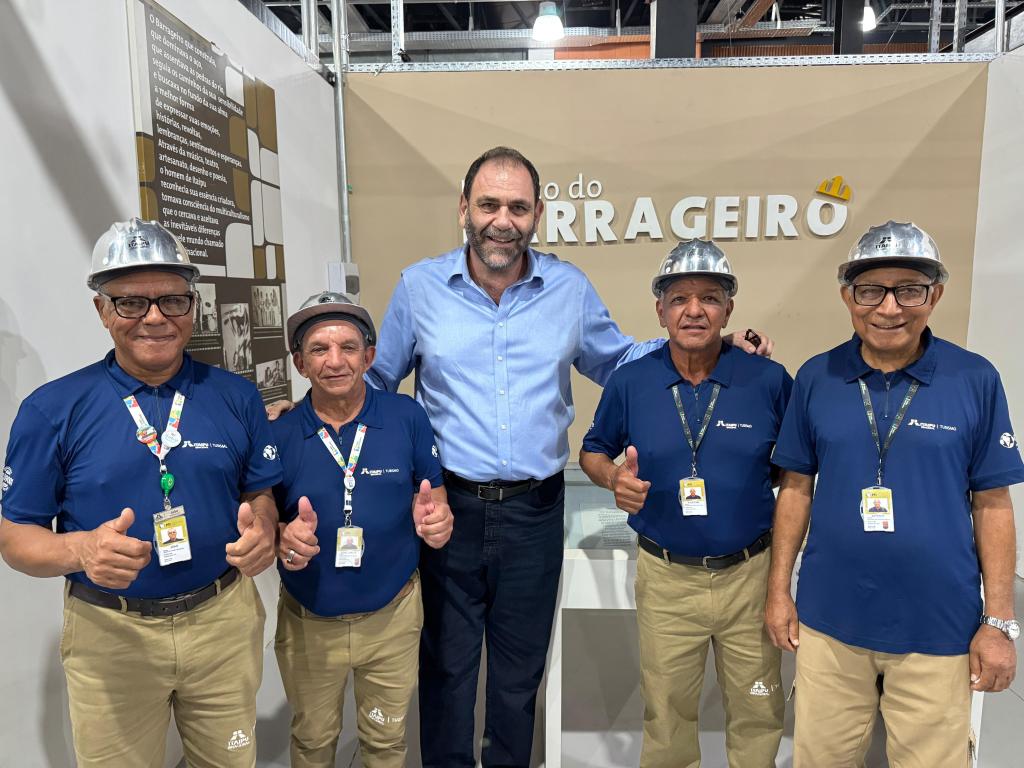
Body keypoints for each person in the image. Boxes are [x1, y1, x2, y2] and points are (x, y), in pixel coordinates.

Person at [267, 146, 771, 767]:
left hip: (534, 510)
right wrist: (301, 411)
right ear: (463, 209)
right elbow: (373, 381)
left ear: (537, 215)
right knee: (447, 669)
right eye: (488, 204)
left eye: (517, 207)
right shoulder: (421, 287)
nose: (501, 219)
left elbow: (619, 362)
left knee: (517, 671)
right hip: (445, 510)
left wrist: (715, 343)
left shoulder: (567, 288)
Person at [0, 218, 281, 768]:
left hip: (222, 623)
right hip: (111, 632)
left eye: (172, 300)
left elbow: (260, 490)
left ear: (192, 306)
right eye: (131, 303)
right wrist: (79, 550)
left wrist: (265, 525)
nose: (155, 317)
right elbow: (14, 538)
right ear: (102, 311)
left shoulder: (235, 396)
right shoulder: (52, 409)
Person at [765, 221, 1024, 767]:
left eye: (909, 289)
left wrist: (999, 621)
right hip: (830, 621)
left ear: (935, 296)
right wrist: (779, 589)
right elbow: (795, 489)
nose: (889, 308)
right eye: (871, 291)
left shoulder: (975, 379)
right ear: (847, 297)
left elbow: (993, 505)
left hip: (939, 626)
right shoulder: (817, 377)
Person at [580, 239, 790, 768]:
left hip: (751, 574)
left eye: (709, 297)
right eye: (679, 298)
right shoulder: (632, 381)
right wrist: (611, 479)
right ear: (660, 310)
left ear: (729, 309)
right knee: (667, 716)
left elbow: (798, 472)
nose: (694, 310)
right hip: (667, 578)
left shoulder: (767, 380)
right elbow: (592, 450)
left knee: (758, 710)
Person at [269, 291, 454, 767]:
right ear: (299, 363)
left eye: (349, 348)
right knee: (312, 742)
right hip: (311, 620)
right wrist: (282, 539)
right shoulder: (278, 434)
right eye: (319, 350)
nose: (335, 361)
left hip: (392, 616)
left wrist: (437, 517)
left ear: (369, 357)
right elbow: (263, 516)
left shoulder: (406, 417)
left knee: (385, 741)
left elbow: (432, 491)